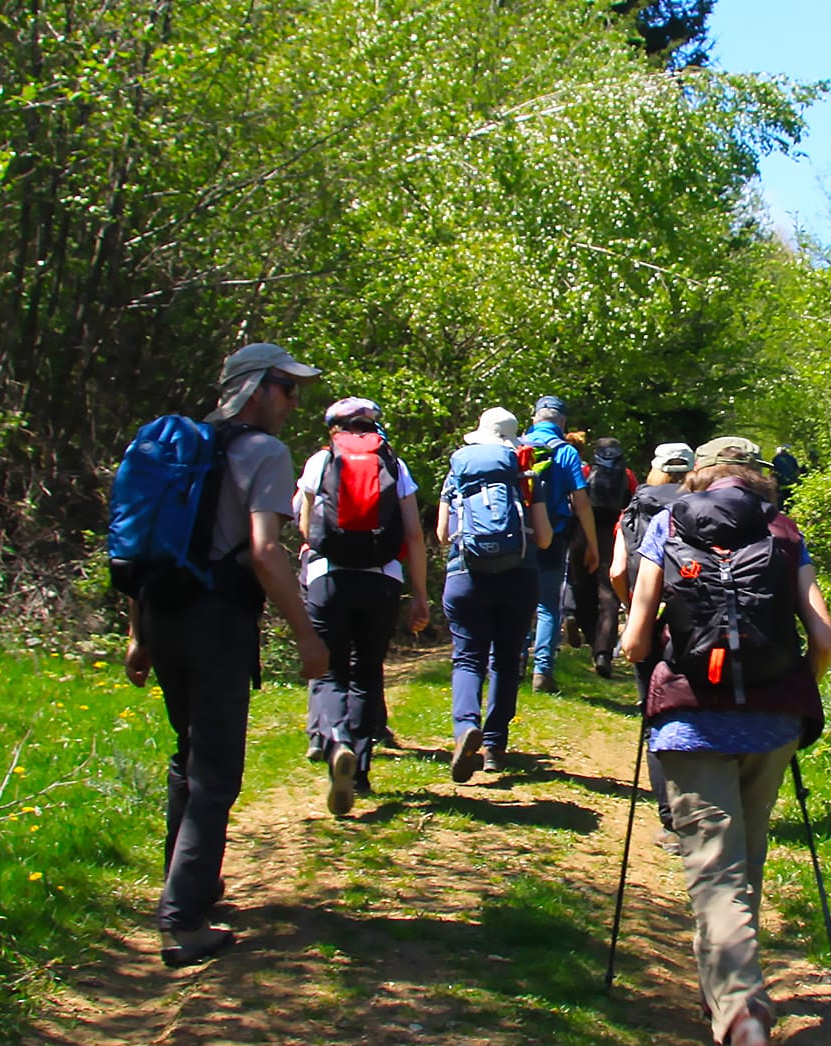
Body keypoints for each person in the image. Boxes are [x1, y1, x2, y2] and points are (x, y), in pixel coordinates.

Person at [620, 435, 831, 1046]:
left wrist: (649, 655)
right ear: (755, 477)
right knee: (743, 861)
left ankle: (743, 1014)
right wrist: (800, 683)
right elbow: (822, 637)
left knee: (714, 873)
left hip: (691, 718)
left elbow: (635, 637)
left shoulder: (666, 523)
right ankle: (728, 992)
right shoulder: (783, 528)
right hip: (772, 718)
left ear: (703, 476)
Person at [125, 343, 331, 967]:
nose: (296, 405)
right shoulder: (263, 453)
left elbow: (147, 549)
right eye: (288, 390)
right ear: (257, 388)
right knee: (217, 774)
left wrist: (137, 634)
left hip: (164, 615)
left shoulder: (178, 447)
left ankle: (189, 884)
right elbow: (265, 553)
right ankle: (183, 920)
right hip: (216, 622)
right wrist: (307, 635)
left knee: (189, 754)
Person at [295, 397, 429, 817]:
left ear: (333, 428)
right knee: (367, 672)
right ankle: (360, 769)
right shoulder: (394, 464)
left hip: (328, 576)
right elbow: (414, 534)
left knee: (332, 668)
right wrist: (420, 594)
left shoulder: (321, 461)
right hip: (382, 579)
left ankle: (336, 741)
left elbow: (304, 525)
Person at [440, 406, 555, 781]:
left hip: (465, 574)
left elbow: (443, 533)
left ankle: (464, 728)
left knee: (467, 658)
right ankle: (493, 746)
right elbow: (544, 537)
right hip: (517, 576)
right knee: (506, 661)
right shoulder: (524, 476)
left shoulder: (457, 472)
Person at [520, 396, 598, 692]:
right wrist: (593, 544)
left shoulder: (518, 446)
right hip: (553, 535)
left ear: (535, 417)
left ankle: (514, 663)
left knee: (519, 602)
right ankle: (542, 672)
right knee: (547, 605)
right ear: (562, 423)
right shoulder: (566, 452)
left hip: (518, 537)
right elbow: (581, 502)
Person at [609, 441, 691, 607]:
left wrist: (631, 606)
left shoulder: (635, 509)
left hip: (647, 603)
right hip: (694, 604)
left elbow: (617, 572)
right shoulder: (705, 505)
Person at [580, 436, 635, 675]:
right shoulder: (628, 474)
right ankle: (603, 652)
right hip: (614, 535)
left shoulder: (584, 470)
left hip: (583, 533)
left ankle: (591, 639)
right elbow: (634, 504)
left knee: (581, 588)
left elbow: (576, 501)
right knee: (608, 593)